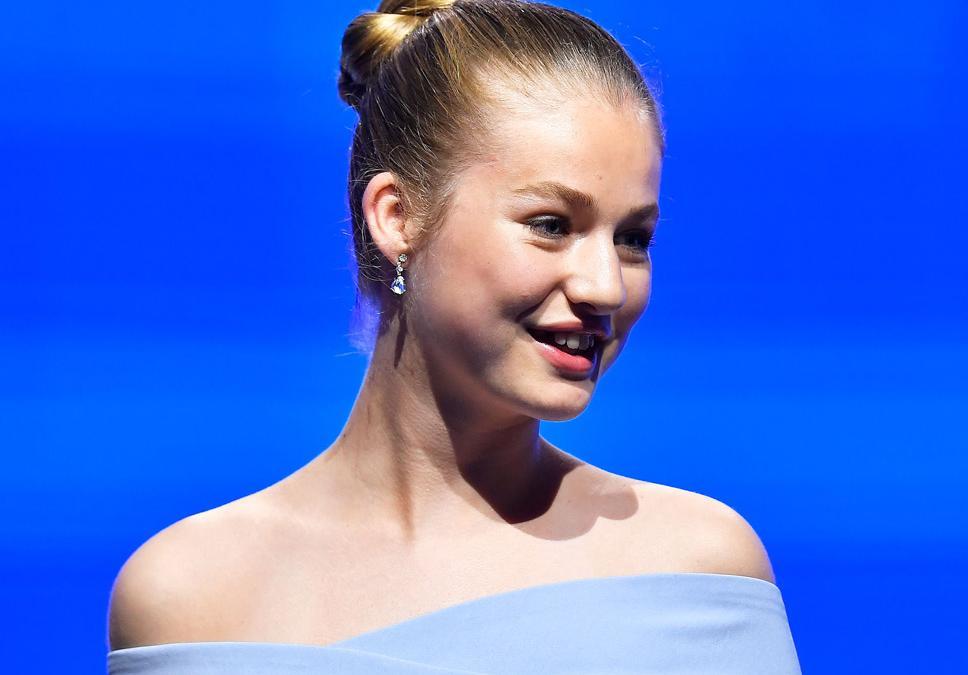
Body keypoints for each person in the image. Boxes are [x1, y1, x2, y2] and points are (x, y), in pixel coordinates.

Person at [106, 1, 802, 672]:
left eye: (632, 239)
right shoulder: (192, 592)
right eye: (551, 223)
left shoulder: (696, 567)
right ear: (397, 215)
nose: (605, 287)